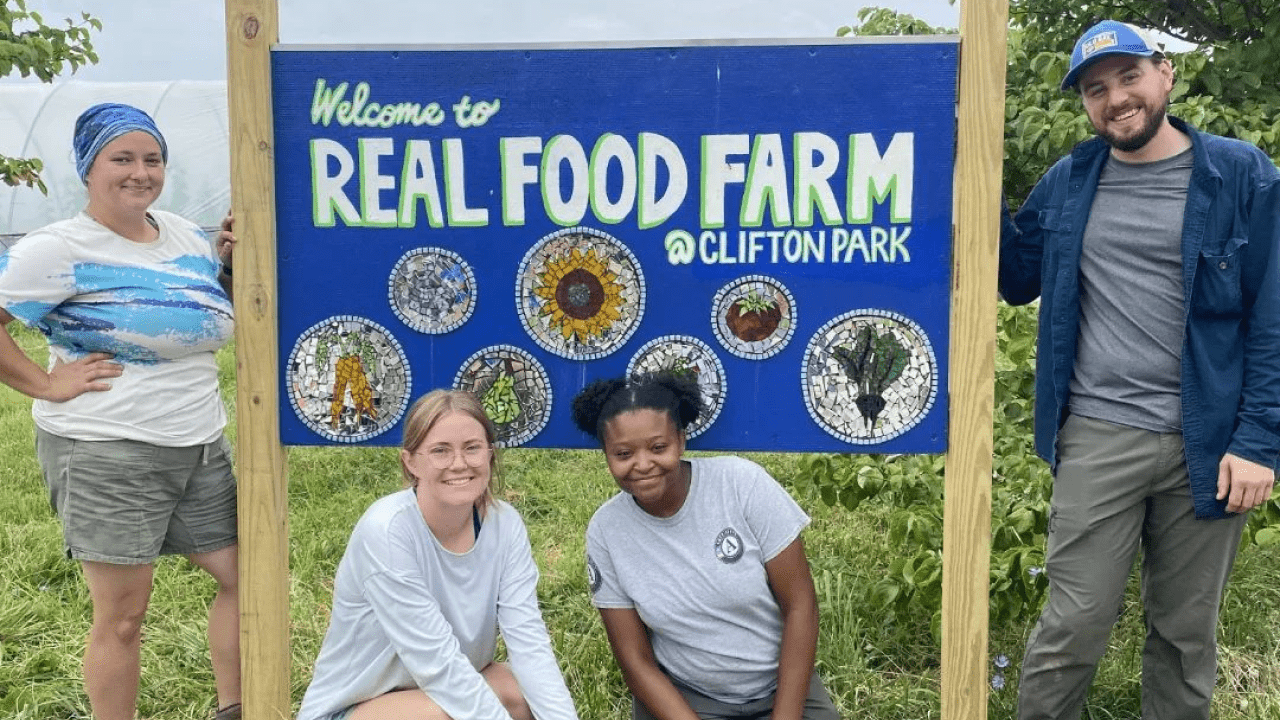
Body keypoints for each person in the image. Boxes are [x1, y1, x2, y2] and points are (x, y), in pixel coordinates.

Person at [999, 19, 1280, 720]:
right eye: (1096, 89)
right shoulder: (1067, 181)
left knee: (1185, 635)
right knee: (1073, 625)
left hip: (1209, 440)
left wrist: (1257, 441)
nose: (1115, 99)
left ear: (1165, 75)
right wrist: (965, 174)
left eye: (1128, 78)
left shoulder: (1242, 174)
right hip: (1098, 434)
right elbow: (1013, 277)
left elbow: (1272, 316)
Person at [0, 103, 242, 720]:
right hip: (110, 448)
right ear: (89, 168)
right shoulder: (56, 247)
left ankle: (238, 708)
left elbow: (210, 314)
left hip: (200, 442)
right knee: (125, 616)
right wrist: (45, 384)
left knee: (245, 579)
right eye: (122, 159)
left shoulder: (185, 235)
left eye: (152, 159)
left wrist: (234, 265)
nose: (140, 172)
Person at [571, 372, 840, 720]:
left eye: (658, 447)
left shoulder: (742, 484)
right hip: (686, 697)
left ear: (681, 441)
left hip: (782, 686)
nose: (642, 465)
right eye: (623, 453)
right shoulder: (607, 530)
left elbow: (801, 606)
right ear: (606, 454)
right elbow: (635, 661)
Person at [297, 388, 579, 720]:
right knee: (445, 715)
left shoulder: (505, 524)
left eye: (472, 448)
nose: (459, 464)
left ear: (489, 453)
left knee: (523, 690)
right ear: (410, 462)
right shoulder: (387, 531)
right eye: (440, 451)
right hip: (356, 707)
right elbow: (439, 665)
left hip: (438, 691)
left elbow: (529, 641)